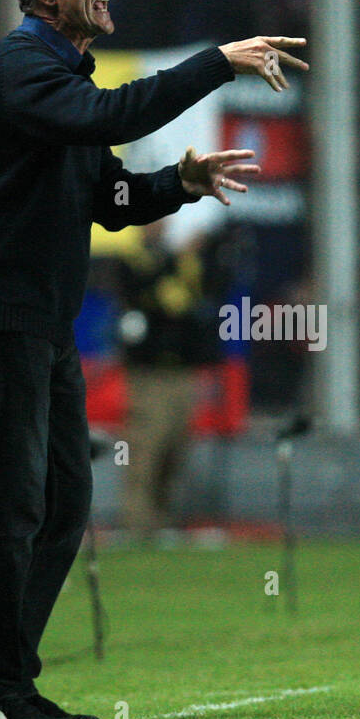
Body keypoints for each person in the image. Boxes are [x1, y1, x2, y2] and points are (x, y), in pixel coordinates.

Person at [0, 0, 307, 719]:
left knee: (63, 502)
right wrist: (216, 63)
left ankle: (5, 680)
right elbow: (111, 118)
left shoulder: (61, 80)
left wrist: (180, 180)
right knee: (12, 500)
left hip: (40, 320)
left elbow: (110, 199)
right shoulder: (19, 67)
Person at [116, 223, 221, 544]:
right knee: (148, 444)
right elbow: (149, 294)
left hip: (183, 371)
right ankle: (137, 522)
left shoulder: (181, 259)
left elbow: (203, 293)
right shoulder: (134, 259)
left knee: (176, 446)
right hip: (150, 373)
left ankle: (162, 521)